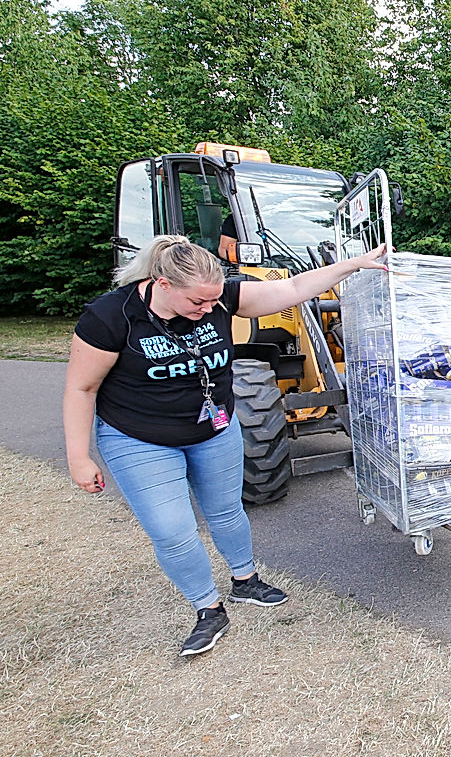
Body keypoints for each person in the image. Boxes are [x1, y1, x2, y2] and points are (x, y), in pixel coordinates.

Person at [64, 235, 388, 656]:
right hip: (139, 438)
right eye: (197, 302)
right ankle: (207, 608)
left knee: (227, 511)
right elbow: (81, 387)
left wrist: (352, 265)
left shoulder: (219, 299)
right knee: (172, 530)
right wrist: (78, 455)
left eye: (213, 302)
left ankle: (245, 580)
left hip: (213, 428)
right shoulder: (111, 317)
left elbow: (291, 289)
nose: (206, 311)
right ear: (162, 284)